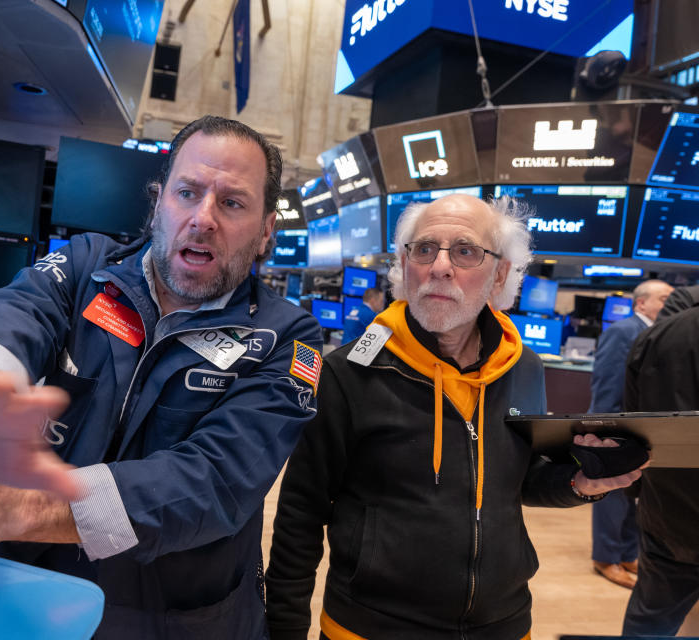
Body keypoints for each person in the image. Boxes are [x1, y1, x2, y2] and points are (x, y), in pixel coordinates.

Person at [0, 115, 323, 639]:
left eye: (232, 203)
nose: (203, 218)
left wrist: (4, 508)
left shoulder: (287, 337)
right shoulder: (86, 266)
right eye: (188, 192)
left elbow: (213, 483)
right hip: (28, 595)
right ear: (158, 202)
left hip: (169, 619)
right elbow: (16, 311)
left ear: (265, 233)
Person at [265, 193, 645, 640]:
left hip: (504, 623)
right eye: (424, 249)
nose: (440, 266)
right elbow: (300, 513)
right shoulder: (349, 372)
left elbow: (518, 482)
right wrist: (285, 629)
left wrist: (581, 484)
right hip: (370, 625)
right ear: (405, 265)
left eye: (465, 251)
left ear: (500, 272)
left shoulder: (523, 368)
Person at [622, 284, 699, 637]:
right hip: (666, 512)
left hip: (668, 513)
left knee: (650, 620)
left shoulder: (656, 337)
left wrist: (636, 490)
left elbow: (634, 427)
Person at [588, 279, 673, 589]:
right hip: (616, 428)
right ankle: (605, 558)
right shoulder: (623, 331)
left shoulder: (657, 333)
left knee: (632, 495)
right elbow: (606, 384)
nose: (670, 304)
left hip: (642, 427)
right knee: (611, 496)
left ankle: (626, 553)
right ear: (641, 304)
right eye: (664, 299)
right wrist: (604, 431)